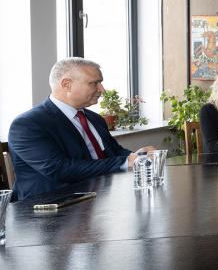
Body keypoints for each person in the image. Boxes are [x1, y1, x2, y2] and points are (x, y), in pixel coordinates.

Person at [7, 58, 156, 201]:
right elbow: (59, 170)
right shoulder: (28, 125)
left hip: (99, 198)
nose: (102, 89)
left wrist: (139, 156)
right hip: (50, 208)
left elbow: (114, 152)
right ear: (66, 84)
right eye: (94, 83)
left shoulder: (94, 118)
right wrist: (126, 161)